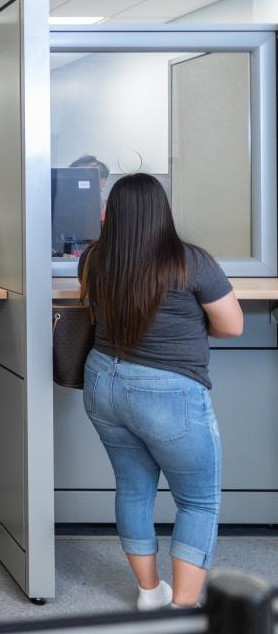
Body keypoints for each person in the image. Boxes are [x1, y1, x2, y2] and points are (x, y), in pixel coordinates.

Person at [79, 173, 242, 611]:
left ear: (109, 213)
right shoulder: (191, 262)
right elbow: (232, 325)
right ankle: (182, 608)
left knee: (133, 487)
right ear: (163, 212)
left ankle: (151, 593)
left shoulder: (94, 259)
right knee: (198, 500)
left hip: (103, 382)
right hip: (166, 391)